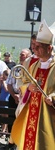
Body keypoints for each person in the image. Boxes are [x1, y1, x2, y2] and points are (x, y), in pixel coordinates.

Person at [11, 19, 55, 150]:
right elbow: (24, 83)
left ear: (50, 48)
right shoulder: (33, 65)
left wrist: (53, 97)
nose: (34, 49)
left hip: (49, 117)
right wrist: (28, 88)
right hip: (31, 114)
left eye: (38, 46)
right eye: (34, 46)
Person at [5, 48, 32, 149]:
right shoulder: (15, 68)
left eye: (23, 55)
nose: (21, 56)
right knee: (12, 119)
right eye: (20, 54)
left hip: (26, 98)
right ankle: (11, 142)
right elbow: (9, 84)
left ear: (29, 56)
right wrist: (14, 95)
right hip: (14, 96)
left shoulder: (31, 68)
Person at [0, 69, 11, 137]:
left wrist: (4, 82)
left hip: (6, 101)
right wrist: (0, 83)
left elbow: (6, 89)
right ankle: (3, 130)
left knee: (6, 117)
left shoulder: (9, 82)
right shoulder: (3, 82)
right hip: (1, 100)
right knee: (2, 117)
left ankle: (4, 132)